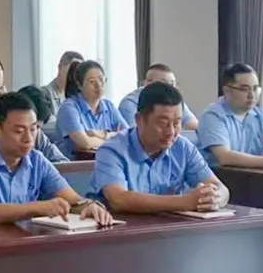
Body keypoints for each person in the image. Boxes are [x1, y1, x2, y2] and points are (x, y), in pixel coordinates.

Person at [0, 92, 112, 226]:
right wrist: (39, 207)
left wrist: (88, 206)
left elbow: (72, 199)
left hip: (25, 239)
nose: (28, 138)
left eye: (33, 129)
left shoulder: (37, 160)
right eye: (19, 131)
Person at [93, 81, 230, 215]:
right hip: (122, 228)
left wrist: (214, 198)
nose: (171, 132)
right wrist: (186, 202)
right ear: (139, 120)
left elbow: (221, 189)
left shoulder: (183, 148)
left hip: (170, 228)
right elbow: (119, 199)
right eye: (163, 123)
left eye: (176, 123)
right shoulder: (112, 150)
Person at [200, 63, 263, 171]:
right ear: (227, 91)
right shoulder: (213, 116)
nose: (252, 95)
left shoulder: (261, 116)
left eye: (255, 88)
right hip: (221, 177)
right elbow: (224, 157)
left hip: (255, 176)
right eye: (244, 89)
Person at [54, 60, 127, 155]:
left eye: (101, 79)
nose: (98, 85)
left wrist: (103, 134)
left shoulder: (109, 106)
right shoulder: (68, 108)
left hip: (106, 161)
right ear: (79, 85)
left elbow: (129, 136)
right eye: (92, 81)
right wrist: (115, 140)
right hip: (75, 163)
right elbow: (85, 143)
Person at [119, 64, 199, 133]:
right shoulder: (129, 104)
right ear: (148, 83)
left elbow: (194, 126)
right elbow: (136, 135)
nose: (170, 89)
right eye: (165, 84)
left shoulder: (173, 99)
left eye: (173, 84)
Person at [43, 51, 84, 118]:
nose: (75, 75)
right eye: (72, 69)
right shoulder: (44, 94)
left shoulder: (80, 96)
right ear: (60, 67)